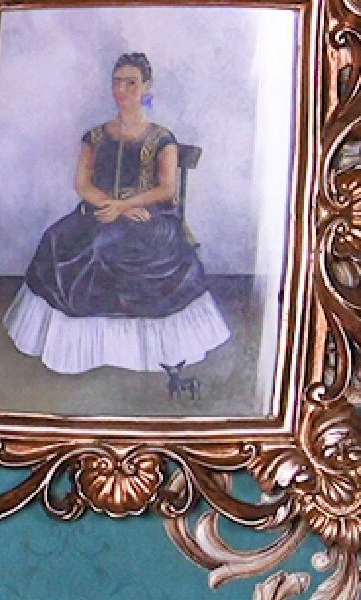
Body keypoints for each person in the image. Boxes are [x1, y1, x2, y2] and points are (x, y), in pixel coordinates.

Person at [14, 48, 237, 390]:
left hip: (150, 216)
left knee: (104, 248)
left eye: (131, 83)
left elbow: (166, 189)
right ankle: (79, 350)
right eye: (117, 82)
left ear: (146, 86)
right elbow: (82, 184)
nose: (122, 90)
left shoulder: (161, 138)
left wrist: (126, 205)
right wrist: (113, 206)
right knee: (57, 238)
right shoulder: (95, 136)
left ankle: (138, 350)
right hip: (99, 210)